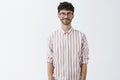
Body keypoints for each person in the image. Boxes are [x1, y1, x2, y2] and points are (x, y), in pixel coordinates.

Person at [47, 1, 89, 80]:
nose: (66, 16)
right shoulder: (52, 37)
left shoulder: (81, 37)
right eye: (63, 13)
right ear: (58, 15)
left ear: (73, 15)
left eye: (69, 13)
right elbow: (50, 60)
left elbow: (84, 61)